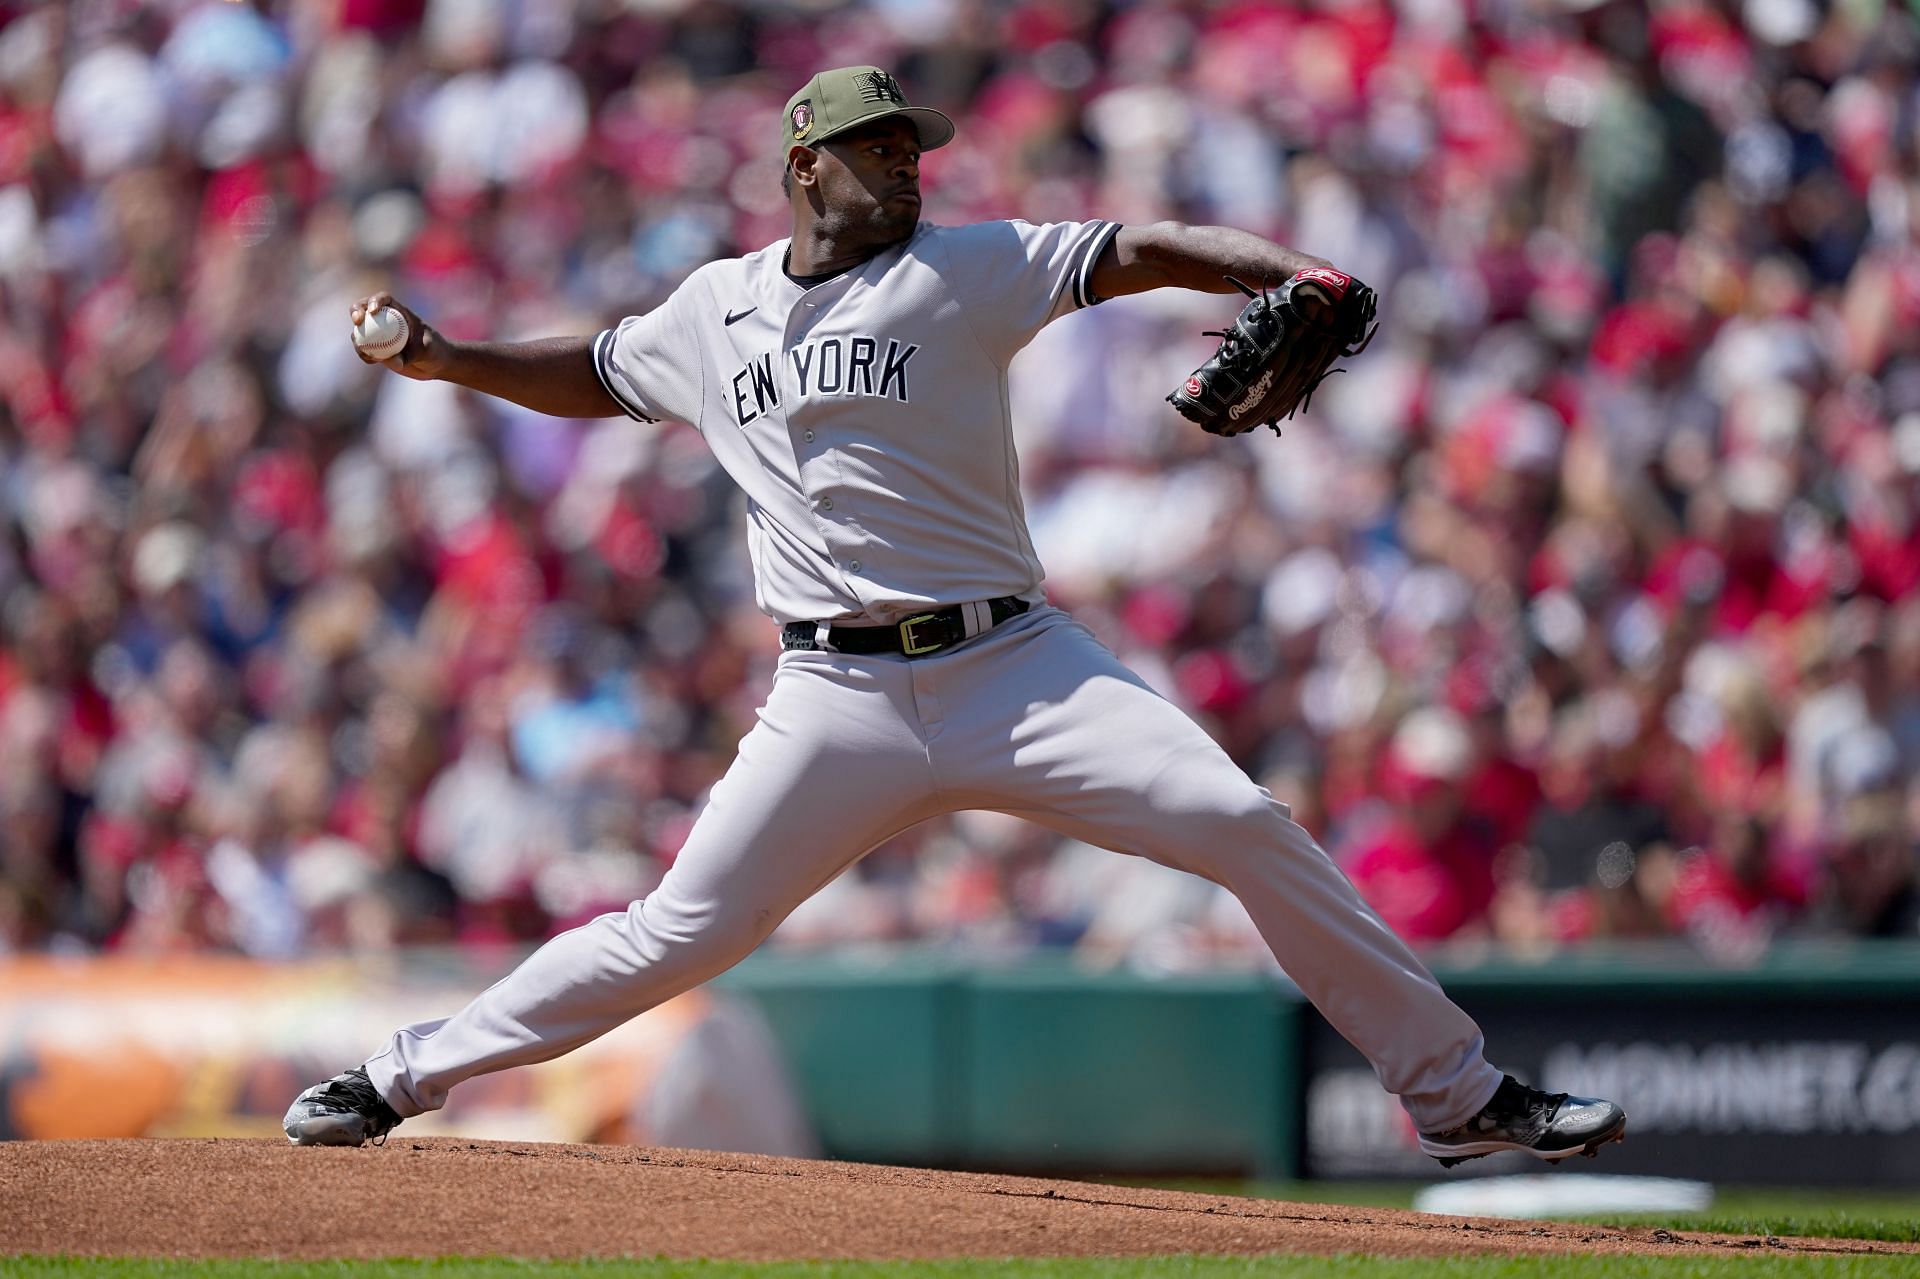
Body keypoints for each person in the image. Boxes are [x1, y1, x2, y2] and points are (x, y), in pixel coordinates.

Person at [284, 66, 1626, 1169]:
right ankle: (393, 1081)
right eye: (878, 147)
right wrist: (449, 356)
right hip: (835, 701)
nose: (910, 164)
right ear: (805, 168)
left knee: (1240, 826)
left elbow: (1137, 247)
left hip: (1014, 665)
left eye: (912, 146)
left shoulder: (962, 267)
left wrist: (1296, 273)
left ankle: (1459, 1095)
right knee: (677, 930)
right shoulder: (716, 309)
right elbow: (592, 369)